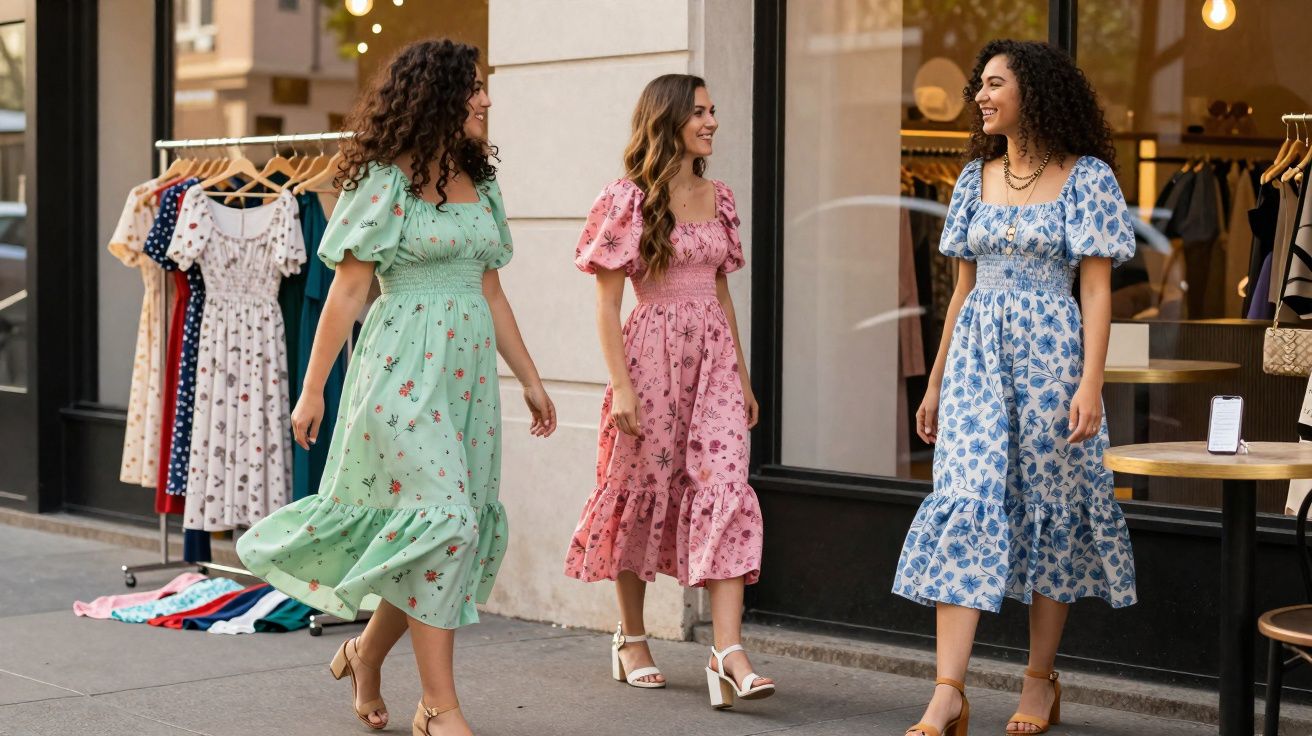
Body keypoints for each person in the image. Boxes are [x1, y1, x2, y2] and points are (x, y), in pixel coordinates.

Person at [236, 38, 556, 736]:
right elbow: (348, 293)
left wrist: (531, 379)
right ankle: (439, 707)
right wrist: (313, 388)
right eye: (474, 87)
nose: (487, 99)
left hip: (465, 381)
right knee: (444, 521)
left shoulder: (481, 179)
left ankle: (363, 653)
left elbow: (492, 293)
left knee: (440, 535)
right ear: (438, 95)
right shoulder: (382, 179)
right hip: (400, 373)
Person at [891, 39, 1138, 736]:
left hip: (1053, 362)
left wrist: (1091, 383)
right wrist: (935, 381)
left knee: (1051, 511)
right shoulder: (973, 177)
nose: (980, 97)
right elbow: (962, 290)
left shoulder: (1086, 177)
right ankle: (948, 691)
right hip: (976, 364)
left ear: (1033, 90)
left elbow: (1096, 289)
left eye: (994, 83)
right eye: (979, 86)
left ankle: (1039, 680)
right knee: (965, 500)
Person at [563, 74, 773, 710]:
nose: (712, 121)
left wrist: (739, 372)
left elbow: (721, 291)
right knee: (637, 488)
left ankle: (727, 651)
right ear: (670, 119)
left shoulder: (722, 197)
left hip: (711, 364)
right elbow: (605, 305)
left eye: (714, 111)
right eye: (701, 112)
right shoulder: (626, 199)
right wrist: (620, 386)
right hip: (649, 359)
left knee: (727, 487)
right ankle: (630, 636)